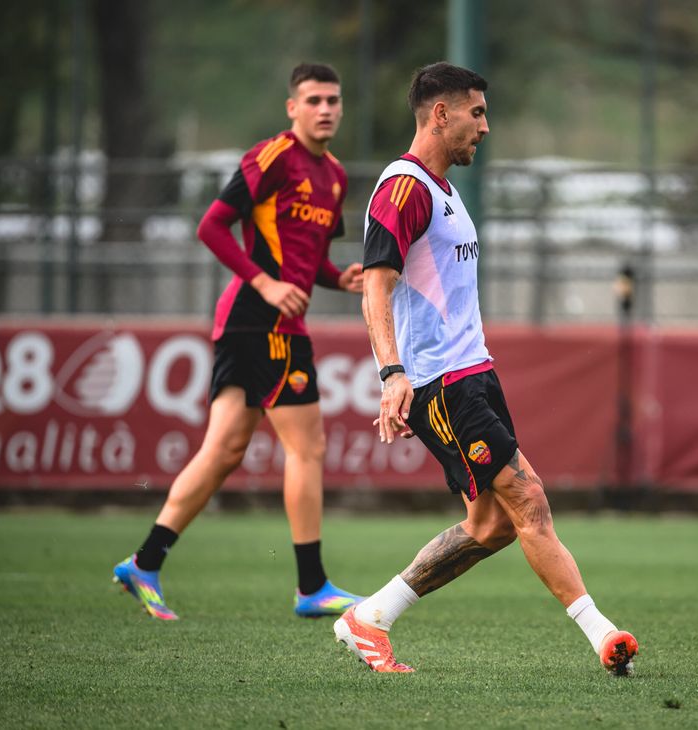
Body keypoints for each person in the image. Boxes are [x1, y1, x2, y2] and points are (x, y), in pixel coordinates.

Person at [332, 62, 638, 675]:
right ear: (440, 114)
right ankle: (604, 636)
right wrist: (393, 373)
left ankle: (370, 618)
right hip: (441, 384)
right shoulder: (404, 187)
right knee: (529, 500)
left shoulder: (442, 189)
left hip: (473, 373)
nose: (485, 126)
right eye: (476, 112)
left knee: (493, 525)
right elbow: (376, 285)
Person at [113, 63, 364, 620]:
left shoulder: (336, 176)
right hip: (259, 321)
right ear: (291, 107)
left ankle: (145, 561)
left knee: (224, 450)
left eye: (333, 100)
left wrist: (337, 277)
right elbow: (211, 226)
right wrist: (267, 284)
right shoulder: (272, 157)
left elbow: (309, 259)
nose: (325, 109)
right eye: (314, 99)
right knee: (308, 448)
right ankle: (312, 586)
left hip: (266, 324)